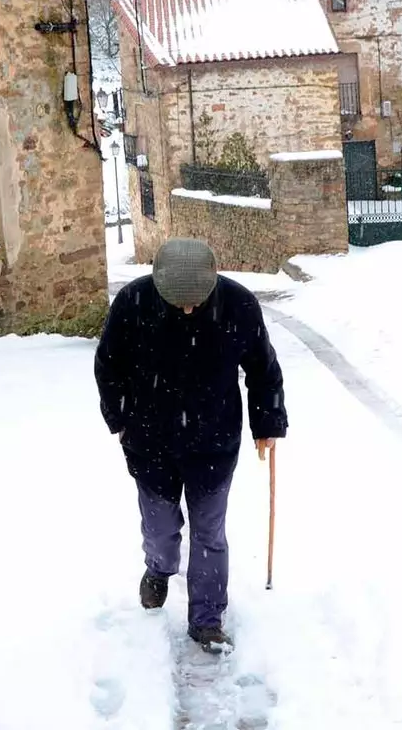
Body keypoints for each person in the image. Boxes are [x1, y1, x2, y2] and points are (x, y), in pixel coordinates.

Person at [94, 237, 288, 651]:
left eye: (195, 302)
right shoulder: (132, 304)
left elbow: (263, 369)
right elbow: (108, 365)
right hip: (149, 441)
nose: (186, 310)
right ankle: (159, 570)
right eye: (177, 301)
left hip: (214, 441)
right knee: (162, 530)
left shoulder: (238, 305)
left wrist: (267, 422)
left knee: (209, 534)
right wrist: (120, 422)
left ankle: (207, 619)